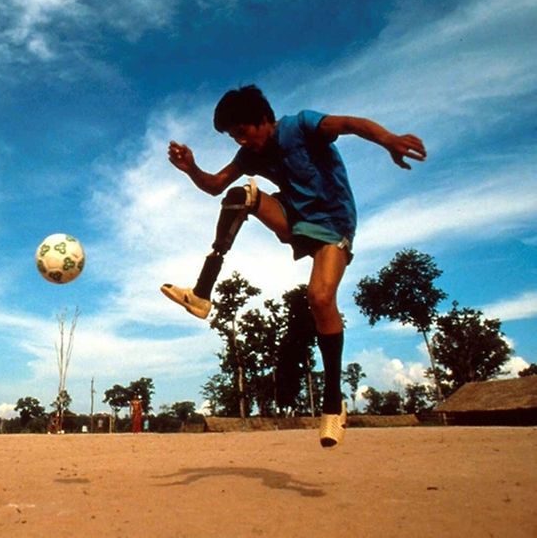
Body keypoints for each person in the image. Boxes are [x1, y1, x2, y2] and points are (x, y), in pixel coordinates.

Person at [161, 85, 426, 447]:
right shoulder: (250, 153)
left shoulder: (301, 126)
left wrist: (388, 139)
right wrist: (190, 167)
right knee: (240, 196)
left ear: (262, 120)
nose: (241, 141)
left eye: (243, 131)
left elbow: (350, 124)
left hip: (333, 224)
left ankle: (333, 404)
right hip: (293, 217)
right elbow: (215, 185)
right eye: (233, 136)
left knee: (319, 299)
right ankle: (202, 293)